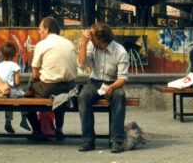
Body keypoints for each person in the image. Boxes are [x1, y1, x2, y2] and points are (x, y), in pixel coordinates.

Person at [77, 23, 130, 154]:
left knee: (119, 96)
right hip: (95, 81)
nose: (89, 37)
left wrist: (111, 87)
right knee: (83, 97)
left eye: (92, 35)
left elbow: (122, 78)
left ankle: (116, 140)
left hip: (113, 82)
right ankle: (88, 140)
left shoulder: (120, 51)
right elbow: (82, 65)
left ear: (102, 40)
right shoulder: (91, 45)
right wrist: (83, 44)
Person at [27, 16, 77, 141]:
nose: (39, 32)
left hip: (49, 88)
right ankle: (59, 129)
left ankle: (37, 130)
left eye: (40, 29)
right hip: (70, 87)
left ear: (46, 29)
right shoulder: (69, 43)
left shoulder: (42, 44)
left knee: (25, 97)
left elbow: (34, 74)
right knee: (60, 99)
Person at [0, 41, 31, 134]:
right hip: (11, 91)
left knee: (8, 101)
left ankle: (8, 122)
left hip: (0, 92)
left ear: (1, 54)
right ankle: (24, 119)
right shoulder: (15, 65)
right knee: (24, 97)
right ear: (14, 55)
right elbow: (17, 83)